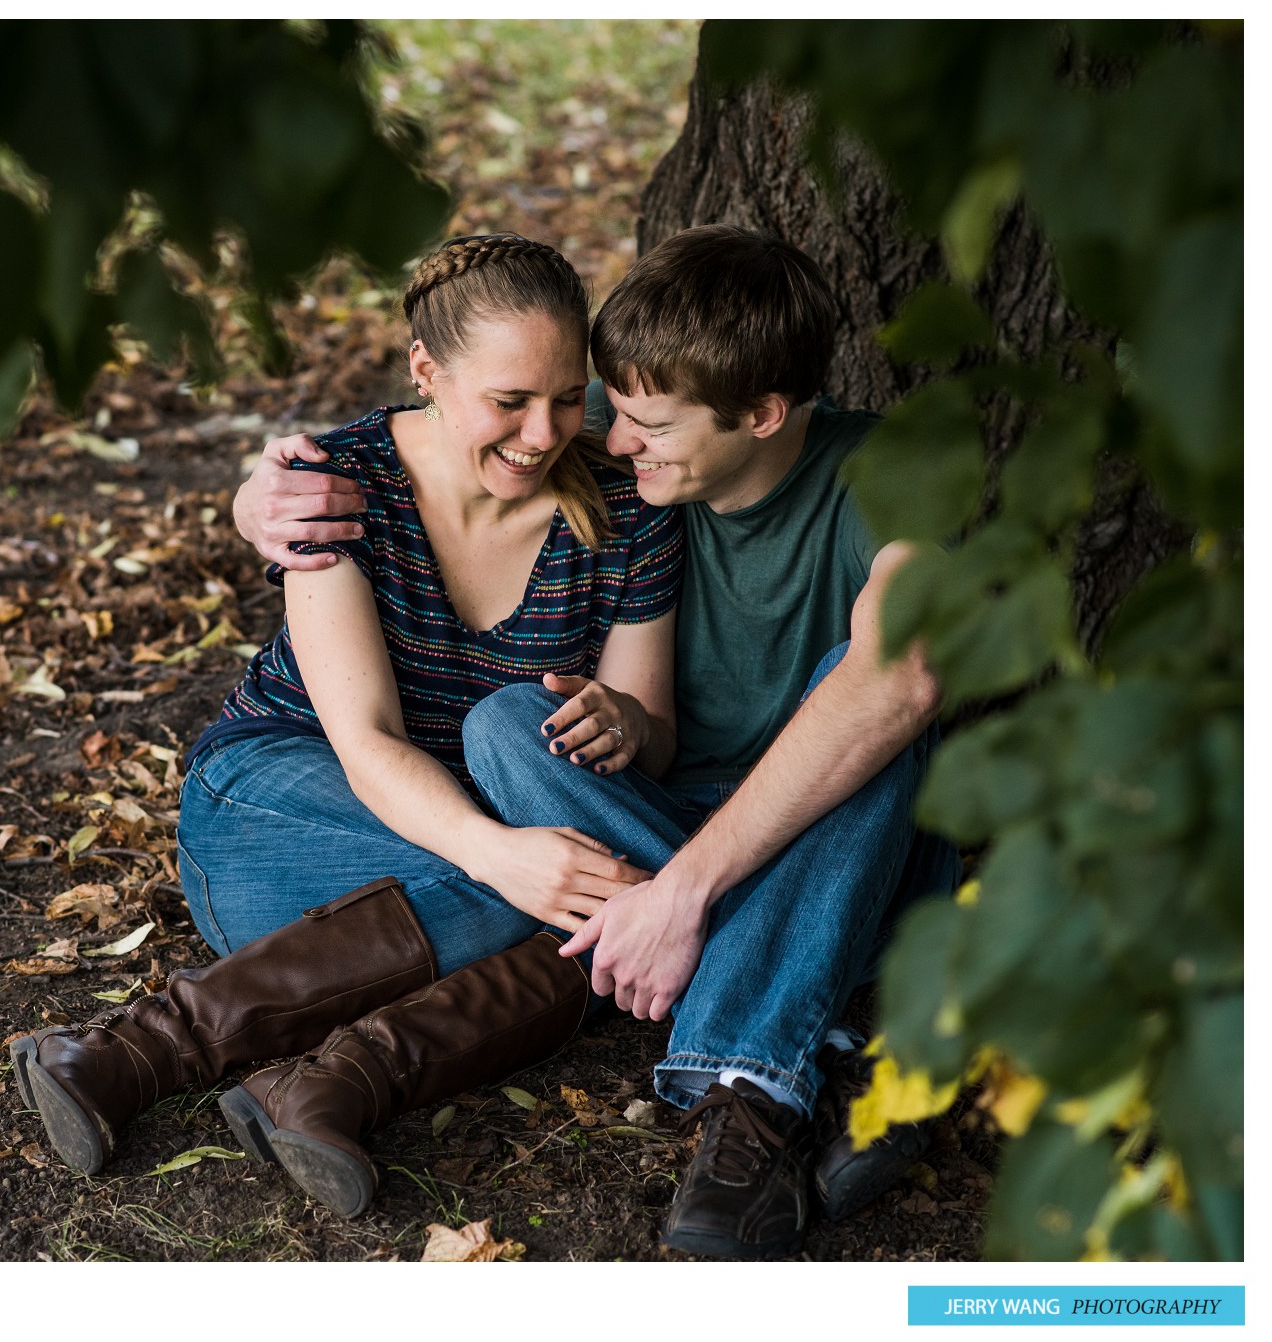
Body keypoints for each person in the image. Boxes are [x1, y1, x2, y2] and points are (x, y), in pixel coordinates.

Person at [233, 223, 960, 1258]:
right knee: (507, 726)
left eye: (645, 423)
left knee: (874, 703)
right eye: (607, 407)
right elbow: (430, 435)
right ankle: (835, 999)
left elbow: (906, 674)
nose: (607, 441)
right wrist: (258, 496)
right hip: (650, 813)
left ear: (760, 414)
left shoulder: (893, 471)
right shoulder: (625, 454)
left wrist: (681, 895)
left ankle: (747, 1101)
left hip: (821, 823)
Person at [10, 234, 684, 1216]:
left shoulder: (625, 510)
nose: (544, 433)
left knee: (584, 904)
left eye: (565, 396)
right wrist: (506, 856)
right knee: (590, 902)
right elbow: (364, 740)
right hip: (283, 814)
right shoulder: (337, 486)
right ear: (427, 372)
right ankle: (152, 1047)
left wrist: (625, 723)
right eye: (509, 400)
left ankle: (316, 1080)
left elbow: (654, 738)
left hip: (398, 904)